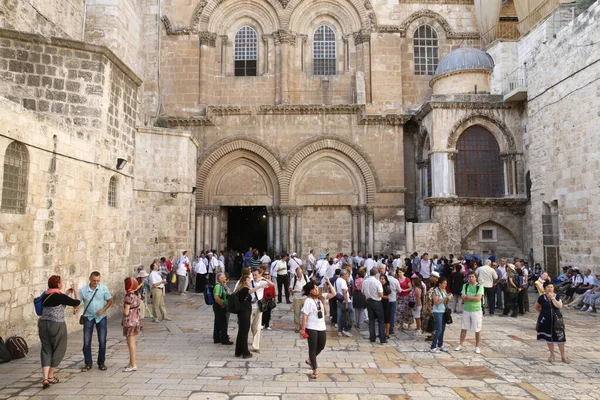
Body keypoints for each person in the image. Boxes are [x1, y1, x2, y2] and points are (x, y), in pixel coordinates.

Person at [38, 275, 81, 389]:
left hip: (43, 324)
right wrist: (75, 290)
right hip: (56, 325)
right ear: (58, 284)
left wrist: (66, 293)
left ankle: (45, 379)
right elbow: (76, 302)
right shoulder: (58, 296)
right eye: (61, 282)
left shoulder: (45, 295)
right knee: (59, 349)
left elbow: (58, 304)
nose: (61, 284)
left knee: (46, 350)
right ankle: (51, 375)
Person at [299, 277, 337, 380]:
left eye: (316, 287)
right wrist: (303, 328)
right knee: (312, 348)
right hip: (311, 327)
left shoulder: (322, 297)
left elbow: (334, 293)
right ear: (310, 291)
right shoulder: (308, 301)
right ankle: (315, 369)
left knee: (321, 345)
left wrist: (329, 282)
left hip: (321, 326)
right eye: (314, 288)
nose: (316, 290)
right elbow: (305, 315)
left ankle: (310, 360)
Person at [79, 271, 113, 372]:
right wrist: (75, 308)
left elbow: (110, 301)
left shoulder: (103, 288)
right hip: (88, 317)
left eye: (98, 280)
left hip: (101, 317)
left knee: (102, 340)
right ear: (90, 279)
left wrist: (103, 310)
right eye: (94, 280)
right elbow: (78, 301)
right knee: (86, 341)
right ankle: (88, 363)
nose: (96, 282)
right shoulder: (83, 290)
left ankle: (101, 362)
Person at [535, 281, 569, 363]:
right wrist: (543, 313)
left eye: (551, 287)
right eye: (548, 287)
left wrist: (553, 298)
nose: (550, 289)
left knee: (560, 338)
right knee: (549, 339)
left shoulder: (557, 296)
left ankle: (563, 356)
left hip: (557, 320)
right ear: (545, 288)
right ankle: (552, 355)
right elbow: (536, 307)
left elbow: (560, 306)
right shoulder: (541, 297)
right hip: (546, 320)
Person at [455, 271, 485, 354]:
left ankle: (477, 346)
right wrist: (471, 297)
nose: (471, 278)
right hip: (467, 309)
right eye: (470, 277)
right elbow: (462, 297)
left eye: (472, 276)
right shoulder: (465, 285)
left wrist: (468, 297)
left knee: (477, 329)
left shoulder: (479, 286)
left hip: (476, 310)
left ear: (476, 277)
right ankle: (460, 344)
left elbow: (478, 298)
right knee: (464, 328)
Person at [234, 275, 262, 358]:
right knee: (244, 333)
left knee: (241, 332)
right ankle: (245, 352)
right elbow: (250, 291)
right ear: (244, 282)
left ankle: (238, 351)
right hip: (244, 313)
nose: (250, 282)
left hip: (243, 312)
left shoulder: (241, 289)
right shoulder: (244, 289)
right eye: (249, 281)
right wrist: (259, 286)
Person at [249, 269, 273, 353]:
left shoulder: (262, 282)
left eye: (256, 275)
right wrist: (258, 287)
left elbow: (271, 284)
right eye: (253, 275)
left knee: (258, 326)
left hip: (259, 307)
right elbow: (249, 291)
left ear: (259, 275)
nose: (254, 276)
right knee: (249, 326)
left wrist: (264, 279)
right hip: (250, 306)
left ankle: (255, 345)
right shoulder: (250, 282)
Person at [122, 277, 142, 372]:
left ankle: (133, 364)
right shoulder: (136, 294)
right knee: (132, 342)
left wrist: (120, 307)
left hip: (129, 321)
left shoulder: (128, 296)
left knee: (130, 343)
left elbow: (126, 312)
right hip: (136, 320)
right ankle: (131, 362)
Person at [363, 268, 387, 344]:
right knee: (380, 320)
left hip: (368, 301)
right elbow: (381, 294)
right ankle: (382, 338)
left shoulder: (365, 281)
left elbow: (363, 293)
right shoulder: (377, 282)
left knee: (371, 320)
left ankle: (372, 337)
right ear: (376, 274)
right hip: (377, 301)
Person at [430, 276, 452, 353]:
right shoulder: (436, 291)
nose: (445, 285)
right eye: (444, 283)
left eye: (446, 283)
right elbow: (436, 303)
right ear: (440, 284)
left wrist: (448, 299)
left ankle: (440, 344)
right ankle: (433, 346)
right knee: (438, 329)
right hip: (437, 311)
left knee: (442, 329)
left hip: (443, 311)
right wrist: (445, 299)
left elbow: (445, 302)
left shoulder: (444, 291)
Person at [213, 273, 233, 345]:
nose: (225, 278)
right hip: (219, 306)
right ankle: (224, 339)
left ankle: (217, 338)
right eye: (224, 277)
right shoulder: (218, 286)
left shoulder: (222, 285)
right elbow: (216, 297)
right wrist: (222, 304)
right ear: (220, 278)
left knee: (218, 322)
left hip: (219, 306)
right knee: (223, 323)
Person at [290, 267, 310, 333]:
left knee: (306, 312)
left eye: (300, 272)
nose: (299, 274)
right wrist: (292, 291)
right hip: (297, 298)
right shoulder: (294, 279)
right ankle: (297, 327)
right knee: (297, 313)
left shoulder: (306, 277)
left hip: (305, 297)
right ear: (296, 273)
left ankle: (306, 326)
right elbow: (290, 288)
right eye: (298, 273)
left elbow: (309, 285)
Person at [336, 269, 354, 337]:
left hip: (339, 301)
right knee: (351, 314)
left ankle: (339, 331)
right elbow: (344, 292)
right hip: (345, 301)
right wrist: (346, 303)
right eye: (347, 275)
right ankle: (347, 329)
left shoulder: (337, 280)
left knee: (340, 316)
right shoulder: (343, 281)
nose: (347, 276)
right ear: (343, 275)